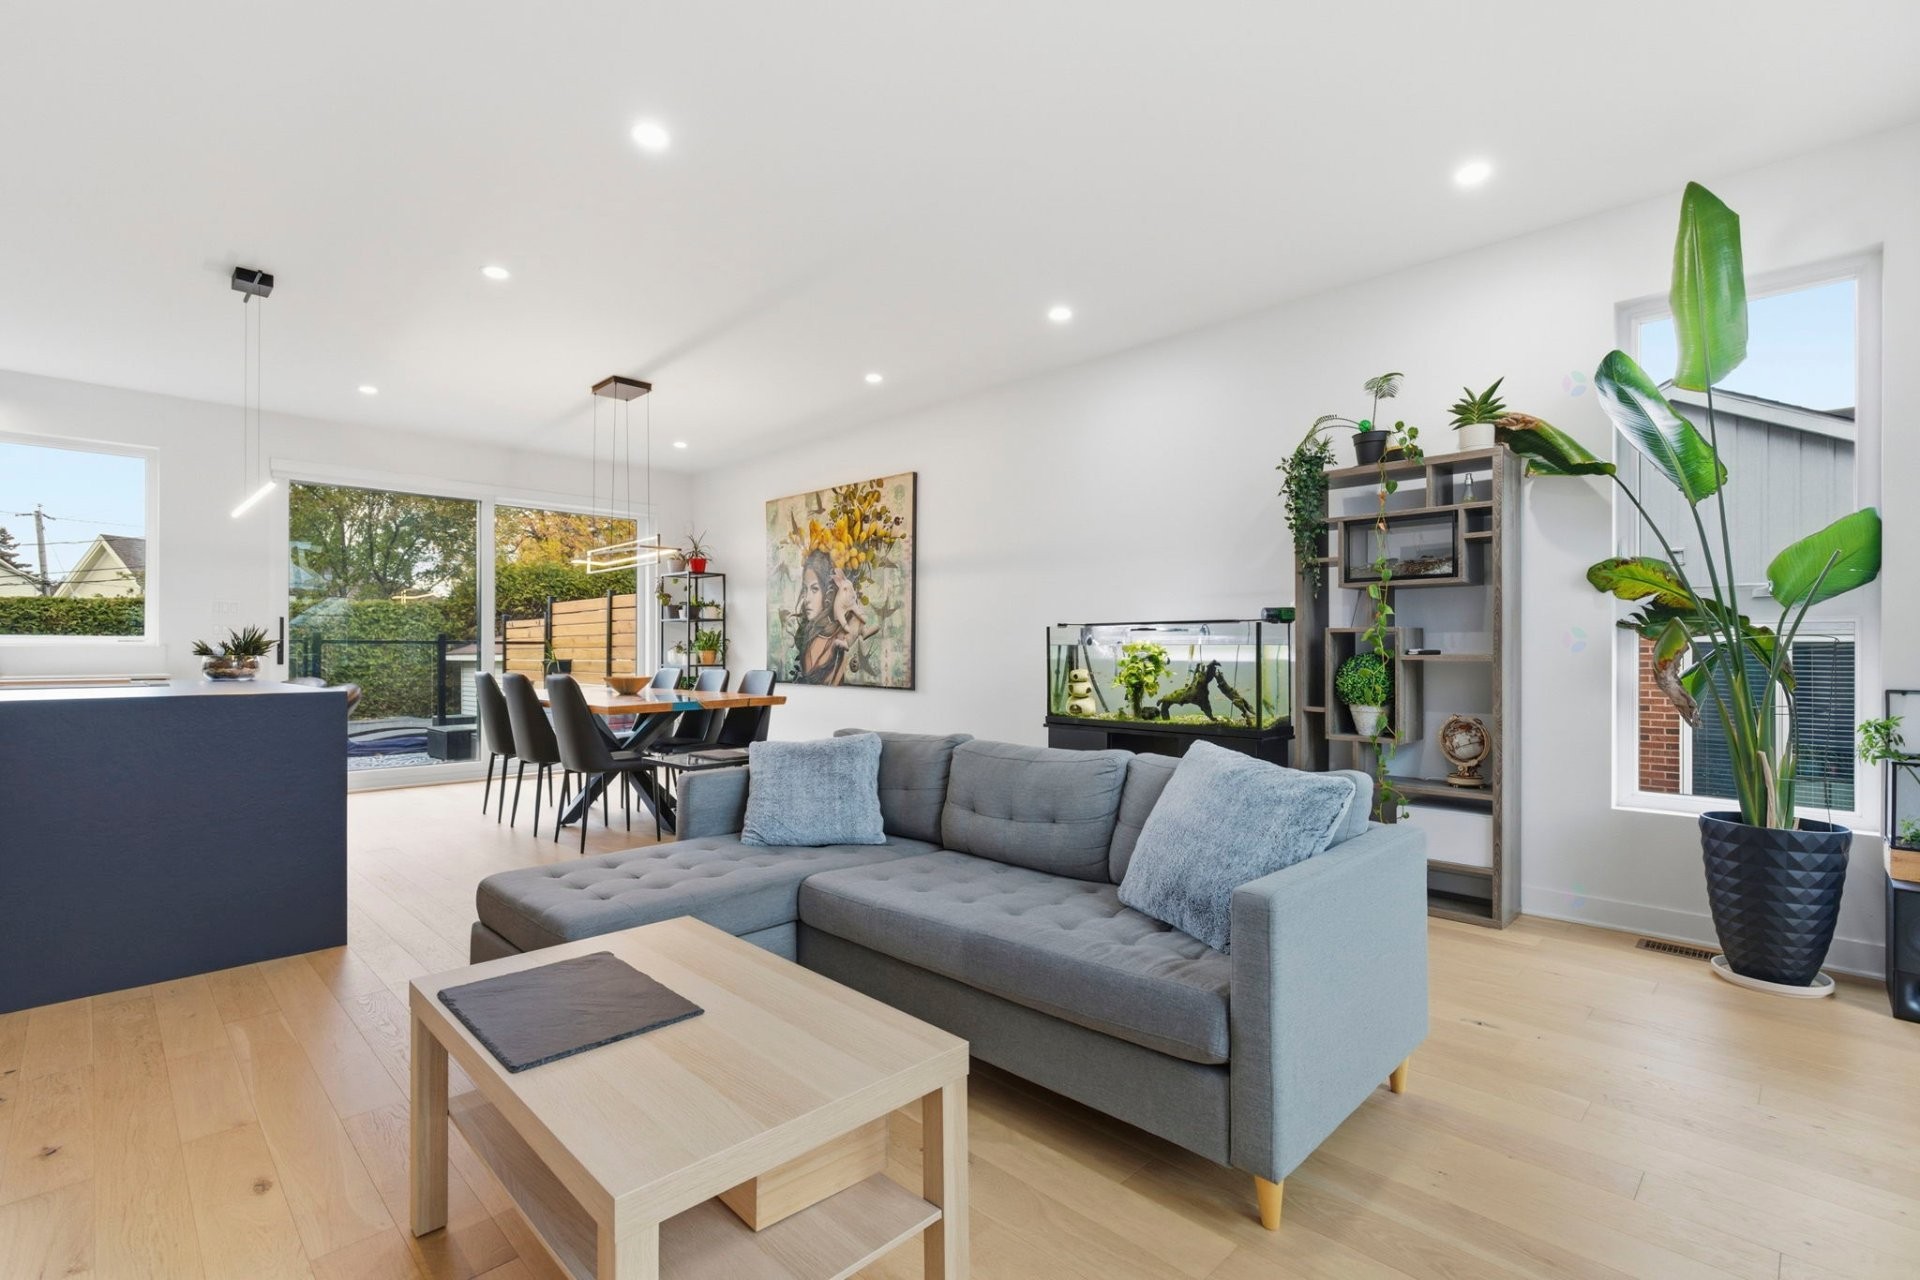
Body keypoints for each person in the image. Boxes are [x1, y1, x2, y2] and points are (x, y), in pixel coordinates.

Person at [790, 548, 877, 684]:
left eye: (814, 589)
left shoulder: (835, 637)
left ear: (829, 592)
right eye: (805, 589)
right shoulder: (812, 634)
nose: (806, 598)